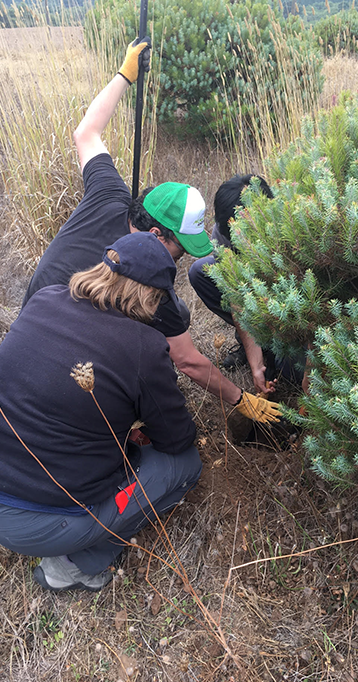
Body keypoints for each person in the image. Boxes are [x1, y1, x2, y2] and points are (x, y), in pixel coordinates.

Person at [20, 37, 282, 421]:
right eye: (180, 248)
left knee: (176, 315)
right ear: (158, 236)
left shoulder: (110, 192)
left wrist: (124, 76)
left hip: (28, 322)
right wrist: (242, 400)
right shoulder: (144, 280)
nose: (177, 263)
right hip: (65, 361)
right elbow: (189, 361)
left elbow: (86, 133)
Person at [0, 232, 202, 592]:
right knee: (185, 465)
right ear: (152, 297)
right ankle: (73, 566)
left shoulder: (44, 299)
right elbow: (177, 438)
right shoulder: (143, 345)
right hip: (49, 521)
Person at [189, 174, 281, 393]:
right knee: (199, 271)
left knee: (290, 371)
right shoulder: (224, 231)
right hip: (250, 292)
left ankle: (276, 344)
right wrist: (256, 365)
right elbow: (237, 299)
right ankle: (258, 343)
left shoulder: (285, 232)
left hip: (282, 302)